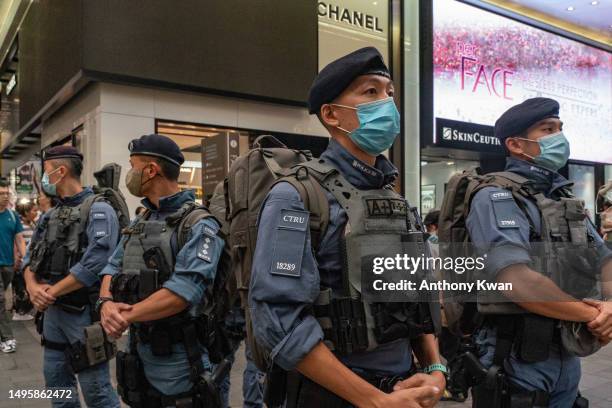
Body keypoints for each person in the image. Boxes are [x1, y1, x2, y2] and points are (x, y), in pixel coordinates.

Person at [249, 47, 445, 408]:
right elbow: (279, 319)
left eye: (389, 93)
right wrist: (372, 400)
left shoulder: (397, 201)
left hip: (403, 390)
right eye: (370, 92)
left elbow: (416, 298)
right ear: (331, 114)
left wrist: (435, 368)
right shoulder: (296, 197)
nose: (387, 103)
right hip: (332, 395)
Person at [465, 97, 612, 407]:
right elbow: (517, 281)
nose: (559, 136)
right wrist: (595, 315)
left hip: (565, 347)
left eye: (560, 128)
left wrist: (610, 304)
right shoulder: (495, 196)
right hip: (516, 353)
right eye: (548, 129)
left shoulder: (561, 198)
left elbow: (605, 258)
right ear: (516, 145)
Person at [98, 134, 229, 406]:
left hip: (180, 358)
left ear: (151, 170)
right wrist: (106, 302)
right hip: (138, 352)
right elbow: (112, 265)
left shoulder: (199, 225)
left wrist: (125, 316)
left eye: (133, 166)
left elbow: (184, 291)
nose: (130, 173)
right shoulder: (141, 219)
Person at [23, 146, 121, 408]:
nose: (44, 180)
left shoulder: (100, 210)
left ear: (60, 171)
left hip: (83, 315)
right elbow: (29, 258)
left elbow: (96, 262)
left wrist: (49, 292)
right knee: (58, 388)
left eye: (46, 173)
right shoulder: (50, 216)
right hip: (52, 315)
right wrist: (32, 287)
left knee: (96, 392)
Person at [0, 179, 26, 353]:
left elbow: (19, 239)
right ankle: (7, 337)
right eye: (1, 193)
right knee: (1, 300)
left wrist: (26, 258)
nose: (4, 196)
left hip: (8, 265)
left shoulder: (12, 215)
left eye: (6, 193)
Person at [12, 201, 38, 320]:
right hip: (22, 261)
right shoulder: (19, 225)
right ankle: (20, 311)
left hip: (31, 261)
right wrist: (17, 258)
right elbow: (16, 242)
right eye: (33, 210)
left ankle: (26, 310)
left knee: (27, 285)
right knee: (21, 286)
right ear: (26, 212)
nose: (36, 213)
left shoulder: (33, 224)